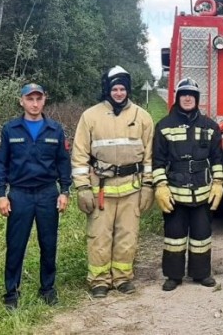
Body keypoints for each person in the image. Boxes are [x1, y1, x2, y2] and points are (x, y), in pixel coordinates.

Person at [71, 65, 154, 297]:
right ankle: (99, 280)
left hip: (132, 189)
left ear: (128, 90)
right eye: (115, 89)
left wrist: (149, 186)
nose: (119, 93)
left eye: (123, 89)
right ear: (108, 89)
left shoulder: (142, 117)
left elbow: (150, 157)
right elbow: (79, 155)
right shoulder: (90, 116)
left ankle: (122, 277)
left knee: (128, 236)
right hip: (101, 190)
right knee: (99, 236)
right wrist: (82, 188)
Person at [0, 83, 72, 309]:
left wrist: (65, 191)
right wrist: (1, 194)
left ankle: (47, 288)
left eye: (39, 98)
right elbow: (1, 163)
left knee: (48, 244)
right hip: (20, 194)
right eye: (30, 99)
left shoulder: (55, 129)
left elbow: (63, 163)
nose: (34, 103)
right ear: (22, 101)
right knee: (16, 244)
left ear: (44, 100)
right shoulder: (11, 129)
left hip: (48, 193)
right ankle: (11, 292)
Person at [152, 78, 223, 291]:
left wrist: (218, 183)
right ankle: (173, 276)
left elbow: (217, 158)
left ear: (197, 99)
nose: (187, 98)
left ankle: (201, 274)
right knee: (174, 236)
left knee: (202, 236)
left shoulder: (210, 127)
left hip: (203, 192)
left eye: (191, 95)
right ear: (177, 98)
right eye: (183, 94)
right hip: (175, 193)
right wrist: (161, 186)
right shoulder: (164, 126)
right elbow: (158, 160)